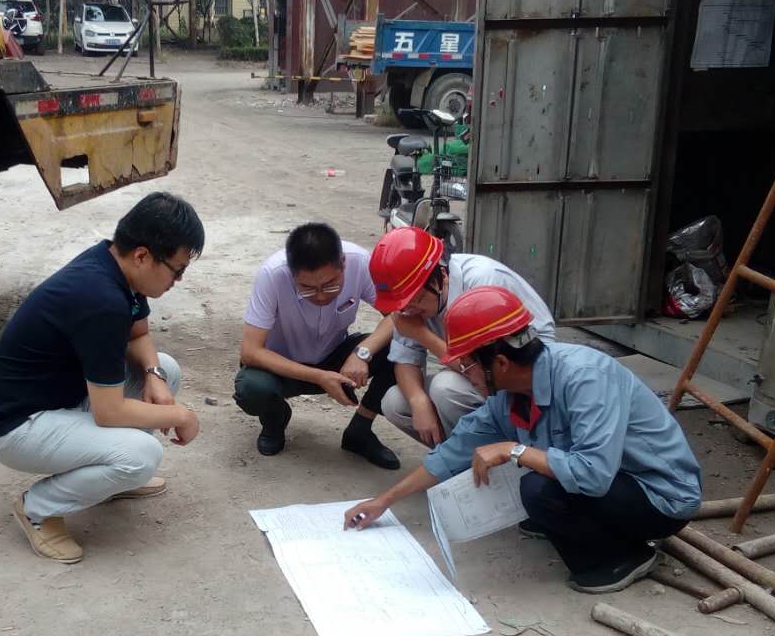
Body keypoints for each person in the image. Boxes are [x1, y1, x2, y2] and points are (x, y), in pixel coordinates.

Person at [345, 287, 702, 594]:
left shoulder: (586, 378)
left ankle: (624, 558)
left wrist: (513, 449)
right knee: (535, 492)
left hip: (660, 497)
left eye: (468, 364)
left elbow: (593, 473)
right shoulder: (508, 396)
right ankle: (594, 528)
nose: (464, 374)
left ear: (500, 362)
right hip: (615, 483)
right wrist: (384, 501)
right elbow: (451, 453)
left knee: (537, 488)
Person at [0, 192, 205, 564]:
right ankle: (37, 509)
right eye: (176, 270)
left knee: (167, 369)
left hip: (61, 400)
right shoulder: (100, 299)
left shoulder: (114, 264)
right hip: (18, 426)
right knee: (142, 456)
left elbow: (138, 334)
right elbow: (109, 412)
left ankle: (111, 481)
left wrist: (154, 376)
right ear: (143, 256)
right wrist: (181, 415)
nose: (178, 280)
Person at [234, 223, 401, 469]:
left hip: (335, 357)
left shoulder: (361, 262)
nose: (321, 296)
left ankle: (360, 430)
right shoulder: (272, 274)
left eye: (331, 285)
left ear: (343, 263)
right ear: (292, 273)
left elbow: (399, 314)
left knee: (400, 347)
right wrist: (319, 377)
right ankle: (275, 419)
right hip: (282, 367)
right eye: (307, 288)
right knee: (251, 388)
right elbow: (251, 352)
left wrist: (361, 353)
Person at [370, 227, 555, 448]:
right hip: (480, 374)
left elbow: (481, 366)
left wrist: (421, 334)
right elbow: (405, 358)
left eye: (415, 299)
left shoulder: (481, 280)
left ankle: (506, 454)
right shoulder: (411, 305)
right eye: (402, 305)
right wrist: (418, 401)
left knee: (445, 388)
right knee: (395, 402)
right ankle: (461, 456)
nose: (409, 309)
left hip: (524, 373)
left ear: (441, 276)